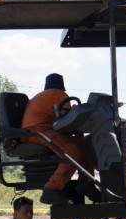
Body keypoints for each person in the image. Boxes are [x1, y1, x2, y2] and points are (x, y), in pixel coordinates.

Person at [21, 73, 96, 205]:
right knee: (72, 151)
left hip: (34, 132)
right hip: (37, 132)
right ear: (62, 85)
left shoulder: (43, 96)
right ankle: (51, 189)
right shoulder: (58, 94)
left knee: (83, 144)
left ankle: (86, 183)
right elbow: (67, 120)